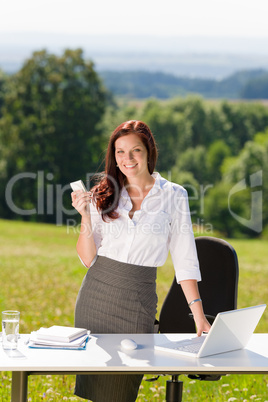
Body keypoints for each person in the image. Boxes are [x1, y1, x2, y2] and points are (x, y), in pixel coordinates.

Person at [71, 120, 211, 402]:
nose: (127, 159)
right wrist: (86, 217)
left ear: (149, 152)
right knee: (94, 390)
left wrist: (199, 314)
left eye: (135, 150)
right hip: (95, 296)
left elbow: (185, 258)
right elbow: (88, 259)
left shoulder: (173, 195)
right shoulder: (103, 194)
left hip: (138, 301)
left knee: (120, 391)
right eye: (120, 152)